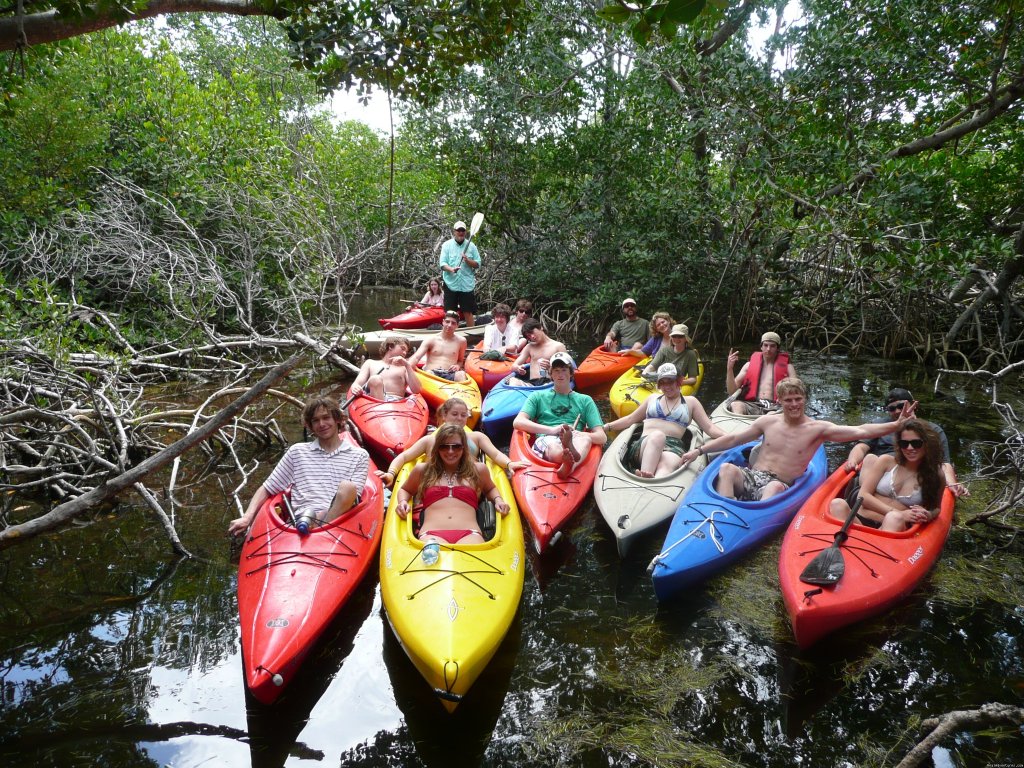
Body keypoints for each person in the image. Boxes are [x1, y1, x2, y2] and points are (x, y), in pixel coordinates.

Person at [679, 377, 918, 502]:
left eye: (798, 399)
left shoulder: (818, 429)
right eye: (788, 400)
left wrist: (896, 425)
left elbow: (861, 431)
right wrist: (699, 452)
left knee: (772, 487)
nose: (793, 404)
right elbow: (733, 439)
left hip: (780, 484)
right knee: (727, 468)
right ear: (780, 401)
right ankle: (725, 510)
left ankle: (753, 517)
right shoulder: (768, 422)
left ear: (804, 399)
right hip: (753, 476)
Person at [227, 396, 369, 536]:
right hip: (299, 522)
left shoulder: (359, 455)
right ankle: (314, 528)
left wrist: (323, 518)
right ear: (310, 425)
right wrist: (247, 517)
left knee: (348, 487)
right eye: (315, 420)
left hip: (338, 519)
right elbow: (268, 487)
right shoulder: (297, 452)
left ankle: (322, 530)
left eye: (326, 418)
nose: (321, 424)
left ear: (337, 419)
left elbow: (352, 500)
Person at [602, 363, 725, 478]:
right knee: (658, 436)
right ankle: (646, 476)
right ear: (659, 384)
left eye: (670, 382)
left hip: (673, 447)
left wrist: (730, 437)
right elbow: (630, 419)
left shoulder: (691, 402)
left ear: (679, 381)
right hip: (644, 445)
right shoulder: (652, 398)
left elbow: (709, 428)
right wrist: (606, 427)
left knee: (667, 463)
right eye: (663, 382)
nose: (666, 386)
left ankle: (656, 480)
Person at [394, 424, 510, 545]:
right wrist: (402, 502)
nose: (450, 451)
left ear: (464, 448)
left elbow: (490, 489)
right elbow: (405, 490)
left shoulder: (478, 470)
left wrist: (498, 500)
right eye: (444, 447)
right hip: (431, 534)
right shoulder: (423, 470)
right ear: (437, 448)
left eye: (456, 447)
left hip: (470, 534)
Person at [843, 387, 968, 497]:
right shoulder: (880, 425)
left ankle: (870, 499)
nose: (897, 411)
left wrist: (951, 482)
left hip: (914, 472)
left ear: (914, 405)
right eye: (892, 408)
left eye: (901, 406)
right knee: (870, 459)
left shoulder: (933, 430)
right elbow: (861, 447)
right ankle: (867, 497)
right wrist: (853, 460)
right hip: (880, 472)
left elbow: (944, 463)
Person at [377, 397, 528, 487]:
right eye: (454, 414)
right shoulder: (430, 440)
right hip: (435, 482)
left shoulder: (477, 437)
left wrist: (509, 464)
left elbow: (495, 454)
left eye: (463, 415)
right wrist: (391, 474)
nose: (459, 418)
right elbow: (404, 457)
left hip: (467, 481)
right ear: (444, 415)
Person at [830, 419, 946, 531]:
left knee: (893, 518)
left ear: (927, 444)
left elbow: (936, 508)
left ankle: (873, 547)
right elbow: (863, 496)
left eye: (916, 443)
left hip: (894, 527)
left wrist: (928, 514)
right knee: (837, 504)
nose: (910, 448)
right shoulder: (886, 461)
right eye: (904, 444)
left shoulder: (936, 475)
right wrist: (899, 512)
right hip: (860, 519)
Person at [513, 352, 607, 478]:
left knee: (586, 439)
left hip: (576, 439)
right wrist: (553, 430)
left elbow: (602, 437)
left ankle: (568, 465)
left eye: (564, 370)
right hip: (548, 437)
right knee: (553, 446)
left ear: (571, 373)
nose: (560, 374)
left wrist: (579, 434)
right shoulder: (537, 396)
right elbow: (518, 422)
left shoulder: (585, 400)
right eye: (556, 370)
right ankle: (565, 457)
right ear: (550, 374)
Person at [726, 331, 798, 414]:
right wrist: (729, 369)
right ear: (761, 347)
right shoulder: (748, 365)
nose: (768, 349)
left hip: (775, 406)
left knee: (770, 415)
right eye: (766, 345)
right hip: (752, 404)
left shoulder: (788, 367)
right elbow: (731, 391)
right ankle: (739, 425)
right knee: (736, 405)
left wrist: (787, 397)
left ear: (777, 348)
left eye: (772, 346)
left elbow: (796, 390)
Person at [350, 336, 422, 401]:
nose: (404, 353)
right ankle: (381, 408)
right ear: (390, 346)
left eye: (406, 351)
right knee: (375, 379)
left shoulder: (404, 368)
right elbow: (356, 384)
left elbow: (417, 390)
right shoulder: (370, 363)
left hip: (396, 402)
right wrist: (356, 388)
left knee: (376, 378)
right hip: (372, 401)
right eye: (402, 348)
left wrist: (407, 365)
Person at [439, 220, 481, 326]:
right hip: (450, 283)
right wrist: (451, 269)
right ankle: (449, 335)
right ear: (454, 231)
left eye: (462, 230)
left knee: (467, 311)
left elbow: (477, 264)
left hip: (466, 285)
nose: (461, 232)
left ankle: (471, 333)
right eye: (458, 230)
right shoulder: (446, 245)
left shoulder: (471, 246)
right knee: (450, 313)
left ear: (465, 232)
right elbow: (442, 264)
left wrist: (467, 260)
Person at [408, 310, 468, 381]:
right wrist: (407, 368)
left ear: (457, 326)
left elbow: (460, 361)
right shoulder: (431, 339)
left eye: (453, 323)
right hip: (432, 373)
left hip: (449, 373)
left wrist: (457, 366)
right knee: (429, 373)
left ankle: (462, 391)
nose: (449, 325)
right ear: (443, 322)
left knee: (461, 374)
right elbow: (416, 357)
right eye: (447, 322)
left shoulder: (461, 341)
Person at [509, 318, 567, 384]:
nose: (532, 337)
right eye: (529, 336)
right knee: (512, 380)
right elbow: (513, 366)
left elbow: (567, 370)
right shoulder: (529, 347)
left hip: (549, 383)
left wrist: (551, 367)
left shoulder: (558, 346)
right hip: (532, 384)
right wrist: (518, 368)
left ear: (540, 327)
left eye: (532, 332)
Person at [641, 324, 699, 388]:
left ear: (685, 338)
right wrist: (644, 376)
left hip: (677, 383)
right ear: (671, 337)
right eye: (674, 336)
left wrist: (678, 382)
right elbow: (651, 367)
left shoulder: (691, 354)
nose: (677, 339)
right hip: (660, 379)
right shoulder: (664, 350)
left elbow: (693, 379)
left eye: (680, 336)